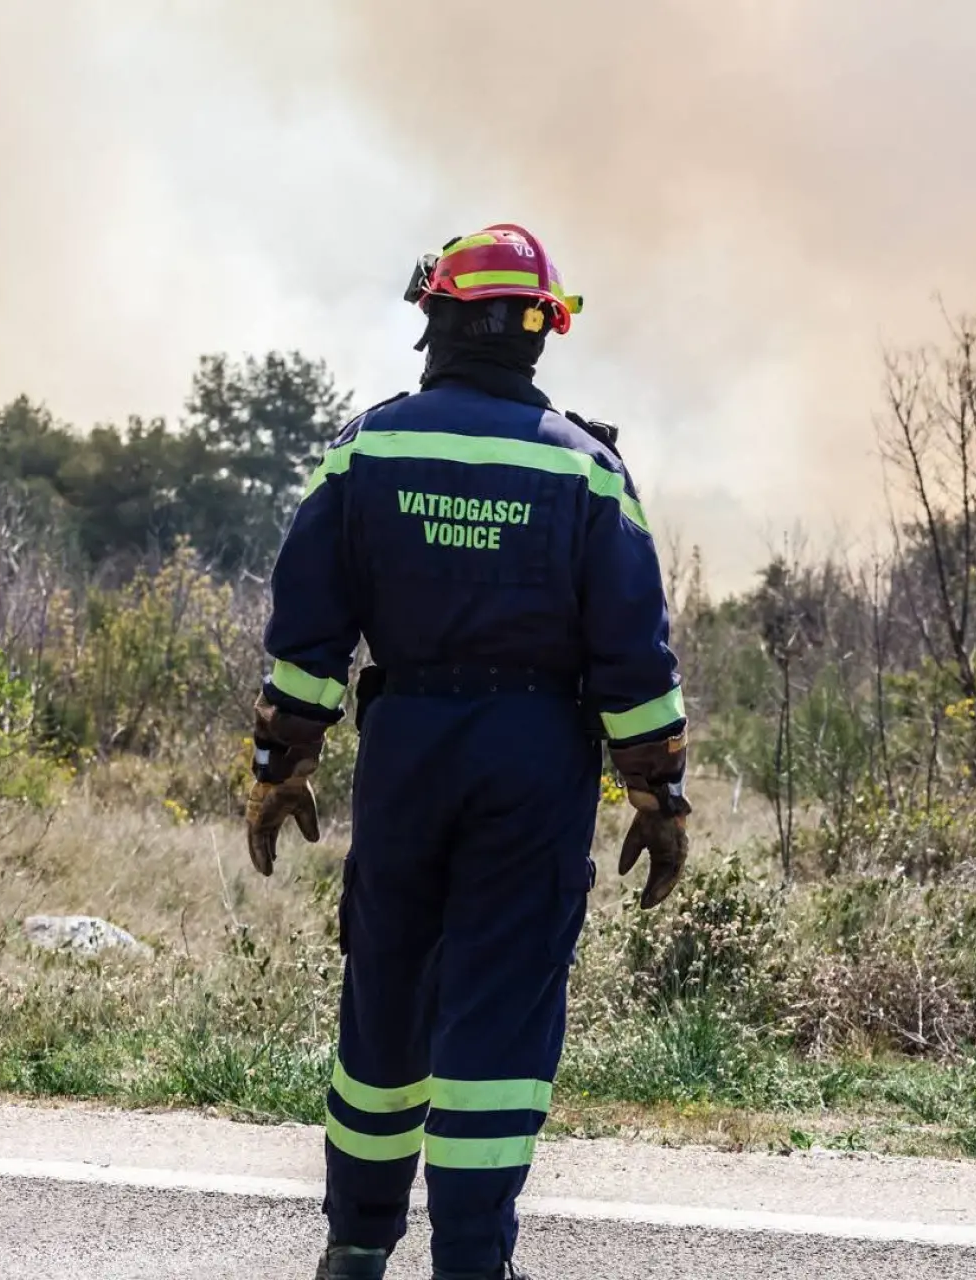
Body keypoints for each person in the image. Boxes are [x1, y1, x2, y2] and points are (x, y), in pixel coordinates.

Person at [242, 224, 691, 1280]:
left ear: (435, 319)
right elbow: (633, 655)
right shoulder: (586, 468)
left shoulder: (369, 449)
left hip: (406, 749)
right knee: (500, 1007)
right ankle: (474, 1261)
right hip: (533, 760)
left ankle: (356, 1244)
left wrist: (280, 767)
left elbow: (308, 630)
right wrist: (658, 795)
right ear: (540, 331)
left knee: (386, 993)